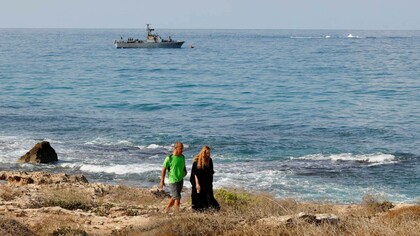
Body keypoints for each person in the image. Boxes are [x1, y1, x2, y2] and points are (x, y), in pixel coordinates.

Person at [190, 146, 220, 211]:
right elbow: (195, 174)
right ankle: (197, 209)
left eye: (209, 153)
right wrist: (197, 184)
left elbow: (211, 172)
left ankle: (211, 208)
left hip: (206, 180)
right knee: (197, 195)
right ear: (203, 153)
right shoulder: (197, 161)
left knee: (209, 195)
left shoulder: (210, 160)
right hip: (197, 179)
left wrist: (210, 182)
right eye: (207, 153)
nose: (208, 154)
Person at [160, 142, 187, 213]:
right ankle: (177, 213)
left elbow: (183, 166)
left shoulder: (182, 157)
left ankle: (166, 209)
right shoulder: (169, 158)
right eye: (180, 148)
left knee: (175, 196)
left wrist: (185, 172)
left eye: (182, 148)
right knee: (177, 197)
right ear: (175, 148)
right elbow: (164, 169)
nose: (182, 150)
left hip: (180, 180)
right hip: (173, 180)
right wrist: (162, 180)